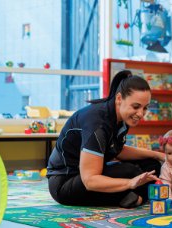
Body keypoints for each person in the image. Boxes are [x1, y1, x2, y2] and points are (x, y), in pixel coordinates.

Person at [47, 70, 165, 208]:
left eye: (145, 108)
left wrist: (158, 155)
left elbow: (117, 150)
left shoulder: (121, 117)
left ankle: (134, 197)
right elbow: (90, 180)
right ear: (119, 98)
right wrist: (130, 183)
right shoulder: (98, 124)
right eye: (136, 106)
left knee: (151, 165)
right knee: (130, 172)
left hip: (87, 176)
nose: (140, 114)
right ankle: (134, 196)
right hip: (65, 183)